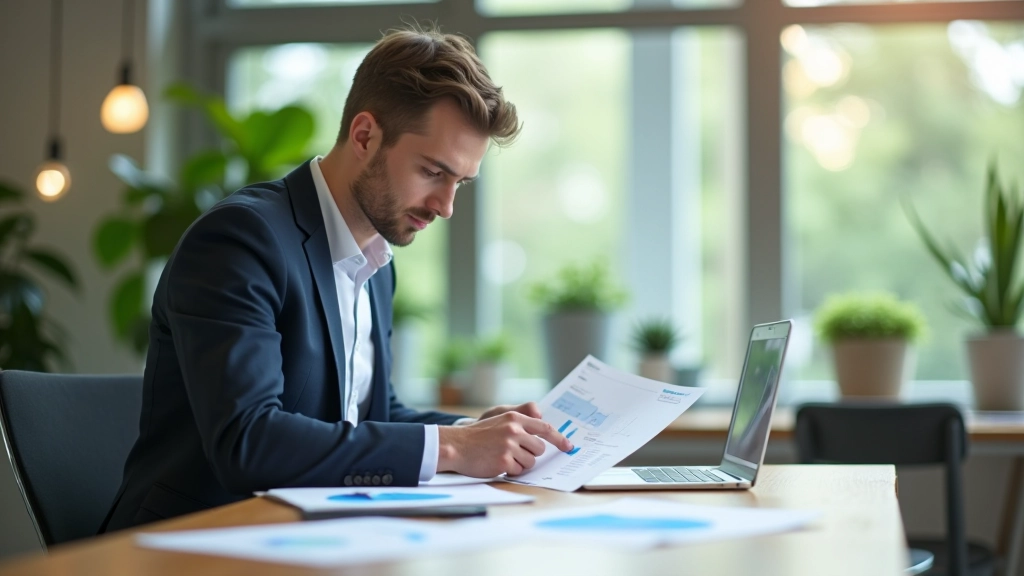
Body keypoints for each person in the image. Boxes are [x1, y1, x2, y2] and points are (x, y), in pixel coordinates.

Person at [100, 25, 572, 532]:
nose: (446, 206)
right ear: (365, 136)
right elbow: (248, 441)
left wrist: (473, 430)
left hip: (310, 537)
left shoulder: (374, 261)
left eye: (460, 182)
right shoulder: (240, 240)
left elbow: (369, 413)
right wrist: (454, 447)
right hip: (193, 542)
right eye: (433, 172)